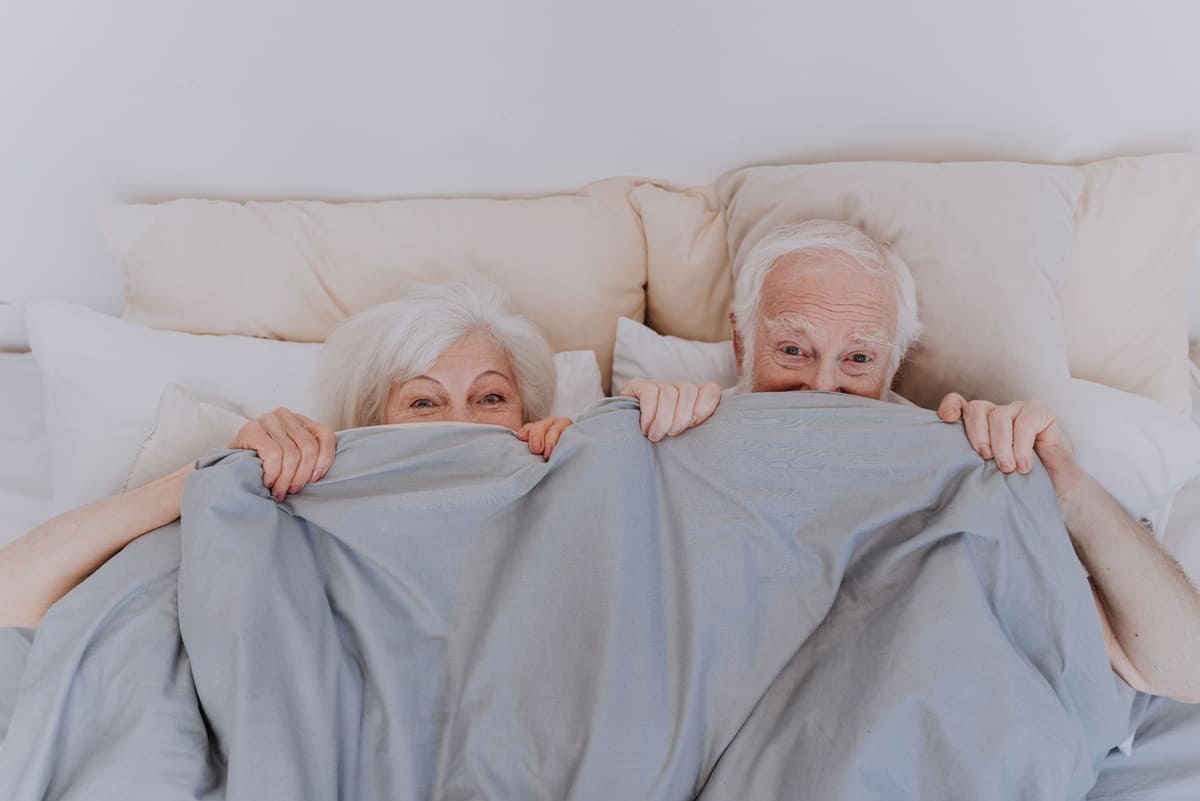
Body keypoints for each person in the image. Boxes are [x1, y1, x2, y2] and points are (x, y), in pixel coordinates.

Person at [619, 220, 1200, 704]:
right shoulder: (676, 429)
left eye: (858, 358)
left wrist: (1068, 488)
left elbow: (1182, 668)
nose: (822, 387)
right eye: (793, 349)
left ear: (894, 360)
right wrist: (626, 440)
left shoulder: (967, 462)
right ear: (743, 342)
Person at [0, 282, 574, 629]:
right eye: (423, 402)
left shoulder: (576, 487)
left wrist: (637, 444)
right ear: (374, 425)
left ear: (529, 415)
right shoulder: (297, 496)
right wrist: (212, 471)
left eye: (492, 397)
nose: (459, 424)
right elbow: (12, 597)